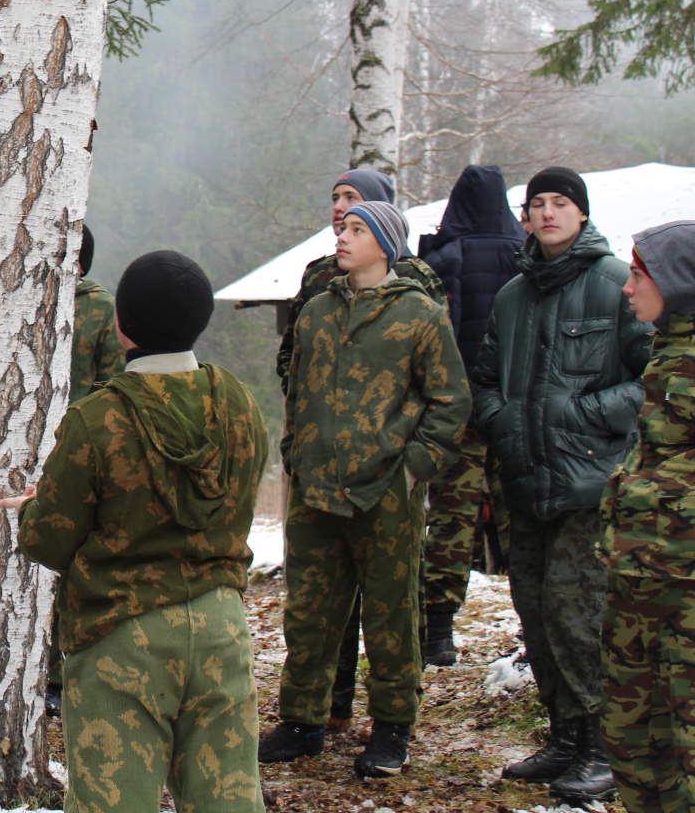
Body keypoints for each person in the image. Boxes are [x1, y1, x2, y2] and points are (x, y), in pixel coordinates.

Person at [8, 250, 268, 813]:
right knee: (230, 801)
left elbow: (47, 541)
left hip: (121, 633)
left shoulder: (96, 418)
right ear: (200, 319)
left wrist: (34, 506)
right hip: (223, 626)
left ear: (122, 327)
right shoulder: (240, 405)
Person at [259, 201, 470, 780]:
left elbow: (451, 402)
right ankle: (302, 722)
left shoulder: (419, 315)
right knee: (308, 611)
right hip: (315, 489)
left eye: (357, 230)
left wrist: (411, 469)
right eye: (342, 228)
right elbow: (297, 390)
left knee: (390, 614)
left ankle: (392, 727)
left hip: (385, 496)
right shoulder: (316, 312)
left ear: (386, 244)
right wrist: (294, 453)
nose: (343, 237)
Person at [472, 166, 651, 804]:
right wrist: (502, 420)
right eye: (537, 204)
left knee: (578, 617)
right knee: (537, 615)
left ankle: (603, 750)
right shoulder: (512, 296)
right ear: (525, 218)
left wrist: (582, 415)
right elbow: (486, 376)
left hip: (590, 483)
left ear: (580, 214)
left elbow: (649, 375)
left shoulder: (613, 285)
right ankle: (564, 739)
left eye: (560, 203)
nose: (548, 213)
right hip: (526, 479)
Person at [600, 220, 695, 813]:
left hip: (683, 589)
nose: (628, 289)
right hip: (641, 580)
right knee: (634, 737)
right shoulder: (665, 354)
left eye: (639, 274)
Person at [414, 164, 523, 665]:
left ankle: (438, 631)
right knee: (521, 520)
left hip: (455, 409)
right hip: (510, 409)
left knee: (451, 522)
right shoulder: (524, 254)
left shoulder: (442, 255)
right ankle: (532, 627)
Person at [70, 224, 122, 406]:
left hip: (75, 424)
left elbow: (113, 380)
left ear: (81, 266)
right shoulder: (21, 300)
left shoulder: (103, 307)